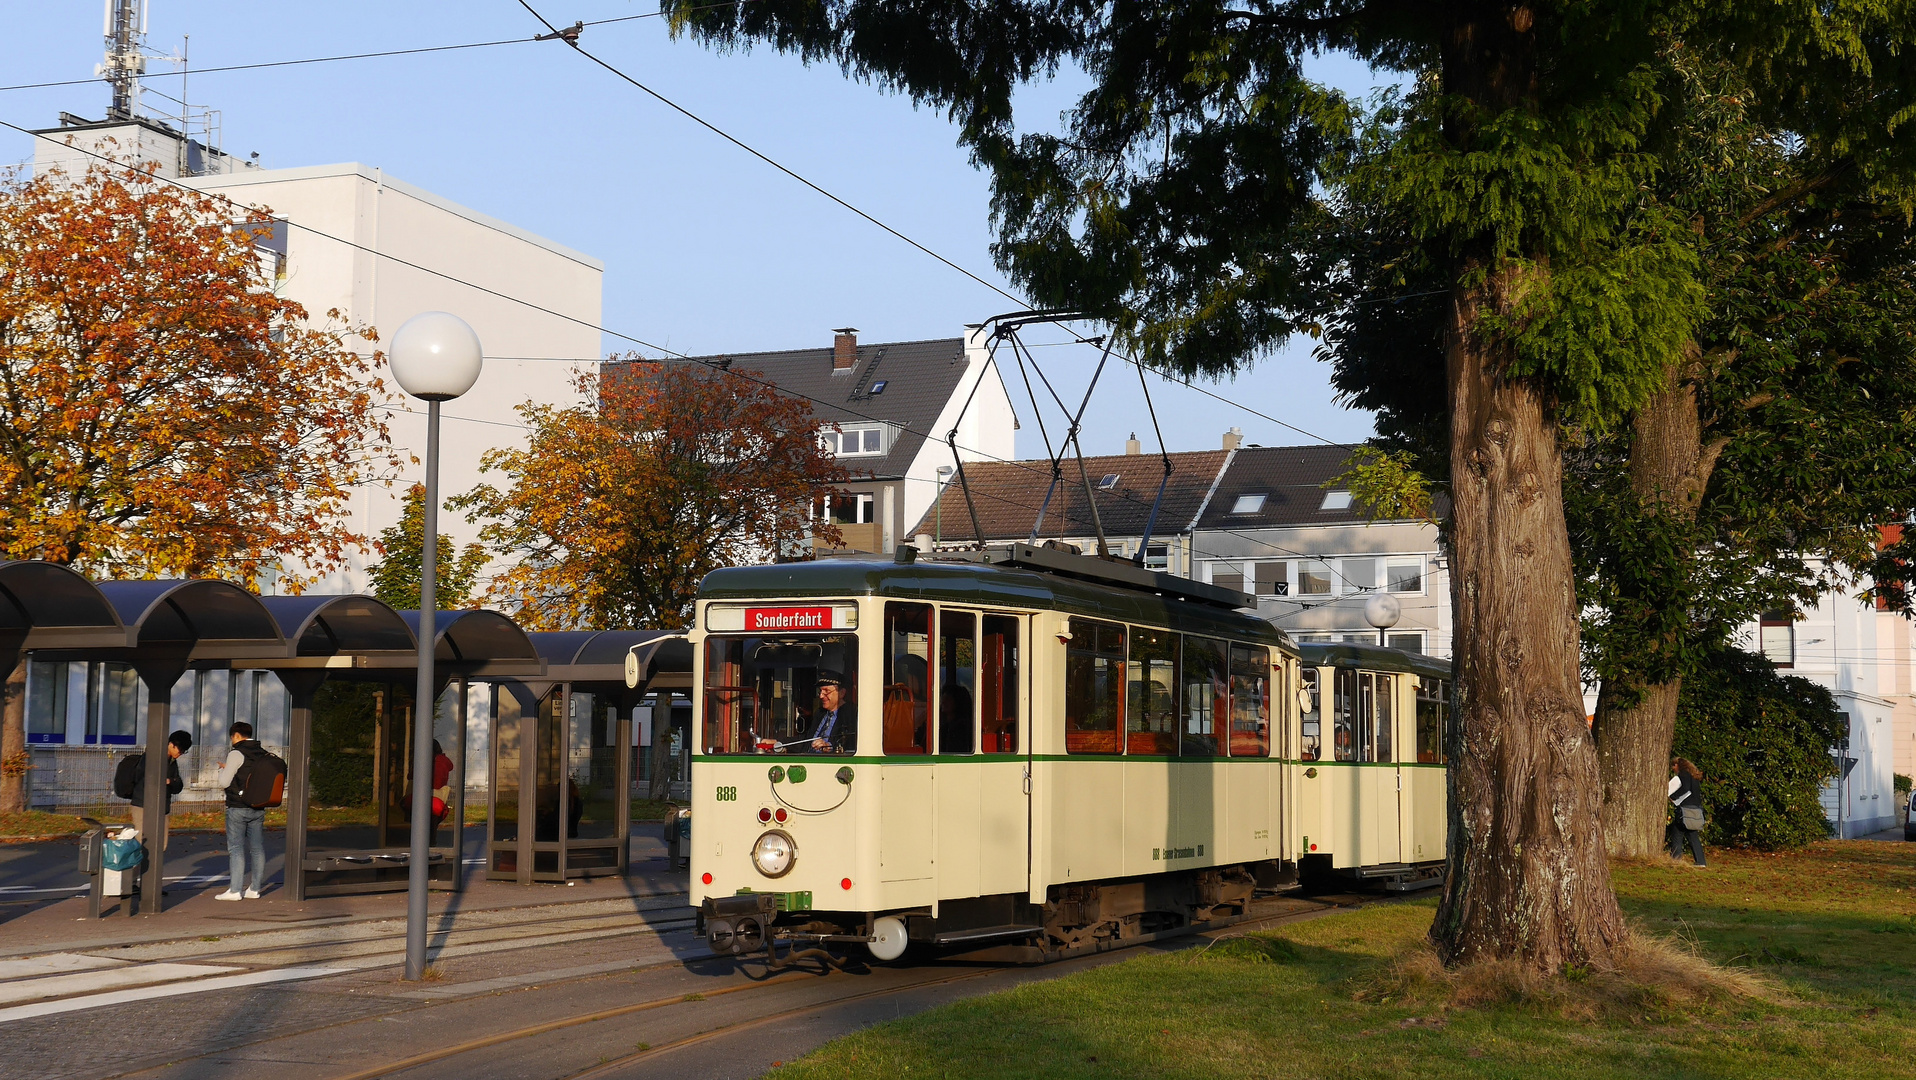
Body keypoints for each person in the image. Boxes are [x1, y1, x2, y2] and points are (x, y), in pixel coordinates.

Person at [214, 722, 270, 900]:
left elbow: (224, 782)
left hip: (238, 806)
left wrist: (221, 772)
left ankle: (235, 890)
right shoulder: (263, 753)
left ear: (236, 735)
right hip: (258, 806)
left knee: (236, 849)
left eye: (232, 737)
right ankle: (254, 889)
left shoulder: (236, 753)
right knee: (257, 848)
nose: (232, 741)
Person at [121, 730, 192, 853]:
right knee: (141, 841)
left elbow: (178, 785)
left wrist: (170, 781)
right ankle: (139, 869)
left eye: (183, 751)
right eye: (180, 750)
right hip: (142, 804)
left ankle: (153, 869)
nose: (180, 754)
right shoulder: (151, 757)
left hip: (162, 807)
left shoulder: (172, 763)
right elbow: (141, 778)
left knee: (161, 844)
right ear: (171, 744)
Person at [1667, 757, 1708, 868]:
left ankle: (1676, 860)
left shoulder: (1683, 774)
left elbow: (1685, 788)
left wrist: (1673, 797)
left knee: (1677, 832)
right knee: (1692, 834)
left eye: (1673, 766)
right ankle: (1701, 861)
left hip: (1685, 807)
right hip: (1695, 808)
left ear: (1677, 765)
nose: (1672, 768)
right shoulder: (1694, 777)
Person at [808, 670, 857, 753]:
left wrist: (829, 747)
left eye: (826, 691)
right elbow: (806, 739)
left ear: (841, 693)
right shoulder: (820, 713)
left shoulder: (851, 714)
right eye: (820, 691)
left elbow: (851, 743)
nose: (821, 696)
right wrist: (781, 744)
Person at [430, 739, 454, 836]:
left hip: (432, 798)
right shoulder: (443, 761)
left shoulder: (437, 762)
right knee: (432, 827)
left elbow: (437, 783)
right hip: (439, 800)